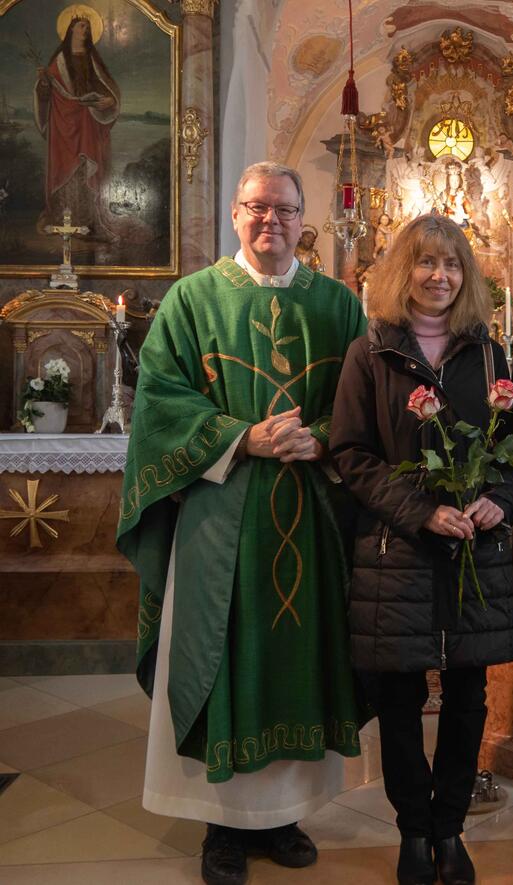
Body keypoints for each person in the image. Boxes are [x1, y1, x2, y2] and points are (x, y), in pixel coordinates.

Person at [117, 162, 367, 885]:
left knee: (297, 663)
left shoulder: (338, 305)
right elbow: (161, 402)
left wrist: (319, 436)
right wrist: (241, 437)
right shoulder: (192, 300)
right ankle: (220, 829)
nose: (271, 222)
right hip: (220, 518)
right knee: (224, 660)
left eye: (285, 210)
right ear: (235, 215)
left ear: (303, 220)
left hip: (310, 513)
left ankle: (282, 816)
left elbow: (362, 400)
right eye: (257, 208)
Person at [330, 214, 513, 885]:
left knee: (469, 697)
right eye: (425, 262)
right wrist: (420, 510)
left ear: (466, 275)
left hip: (474, 549)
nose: (439, 276)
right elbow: (350, 453)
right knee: (401, 695)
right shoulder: (371, 353)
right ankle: (414, 830)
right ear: (401, 270)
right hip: (398, 551)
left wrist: (499, 497)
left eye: (451, 264)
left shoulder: (491, 355)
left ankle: (451, 829)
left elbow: (512, 453)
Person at [34, 13, 119, 234]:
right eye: (82, 26)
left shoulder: (92, 58)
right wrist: (43, 82)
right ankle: (62, 223)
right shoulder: (59, 60)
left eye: (88, 28)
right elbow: (47, 93)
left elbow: (107, 86)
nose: (86, 31)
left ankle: (90, 221)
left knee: (87, 167)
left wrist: (110, 99)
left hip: (88, 120)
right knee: (66, 168)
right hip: (63, 122)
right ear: (71, 28)